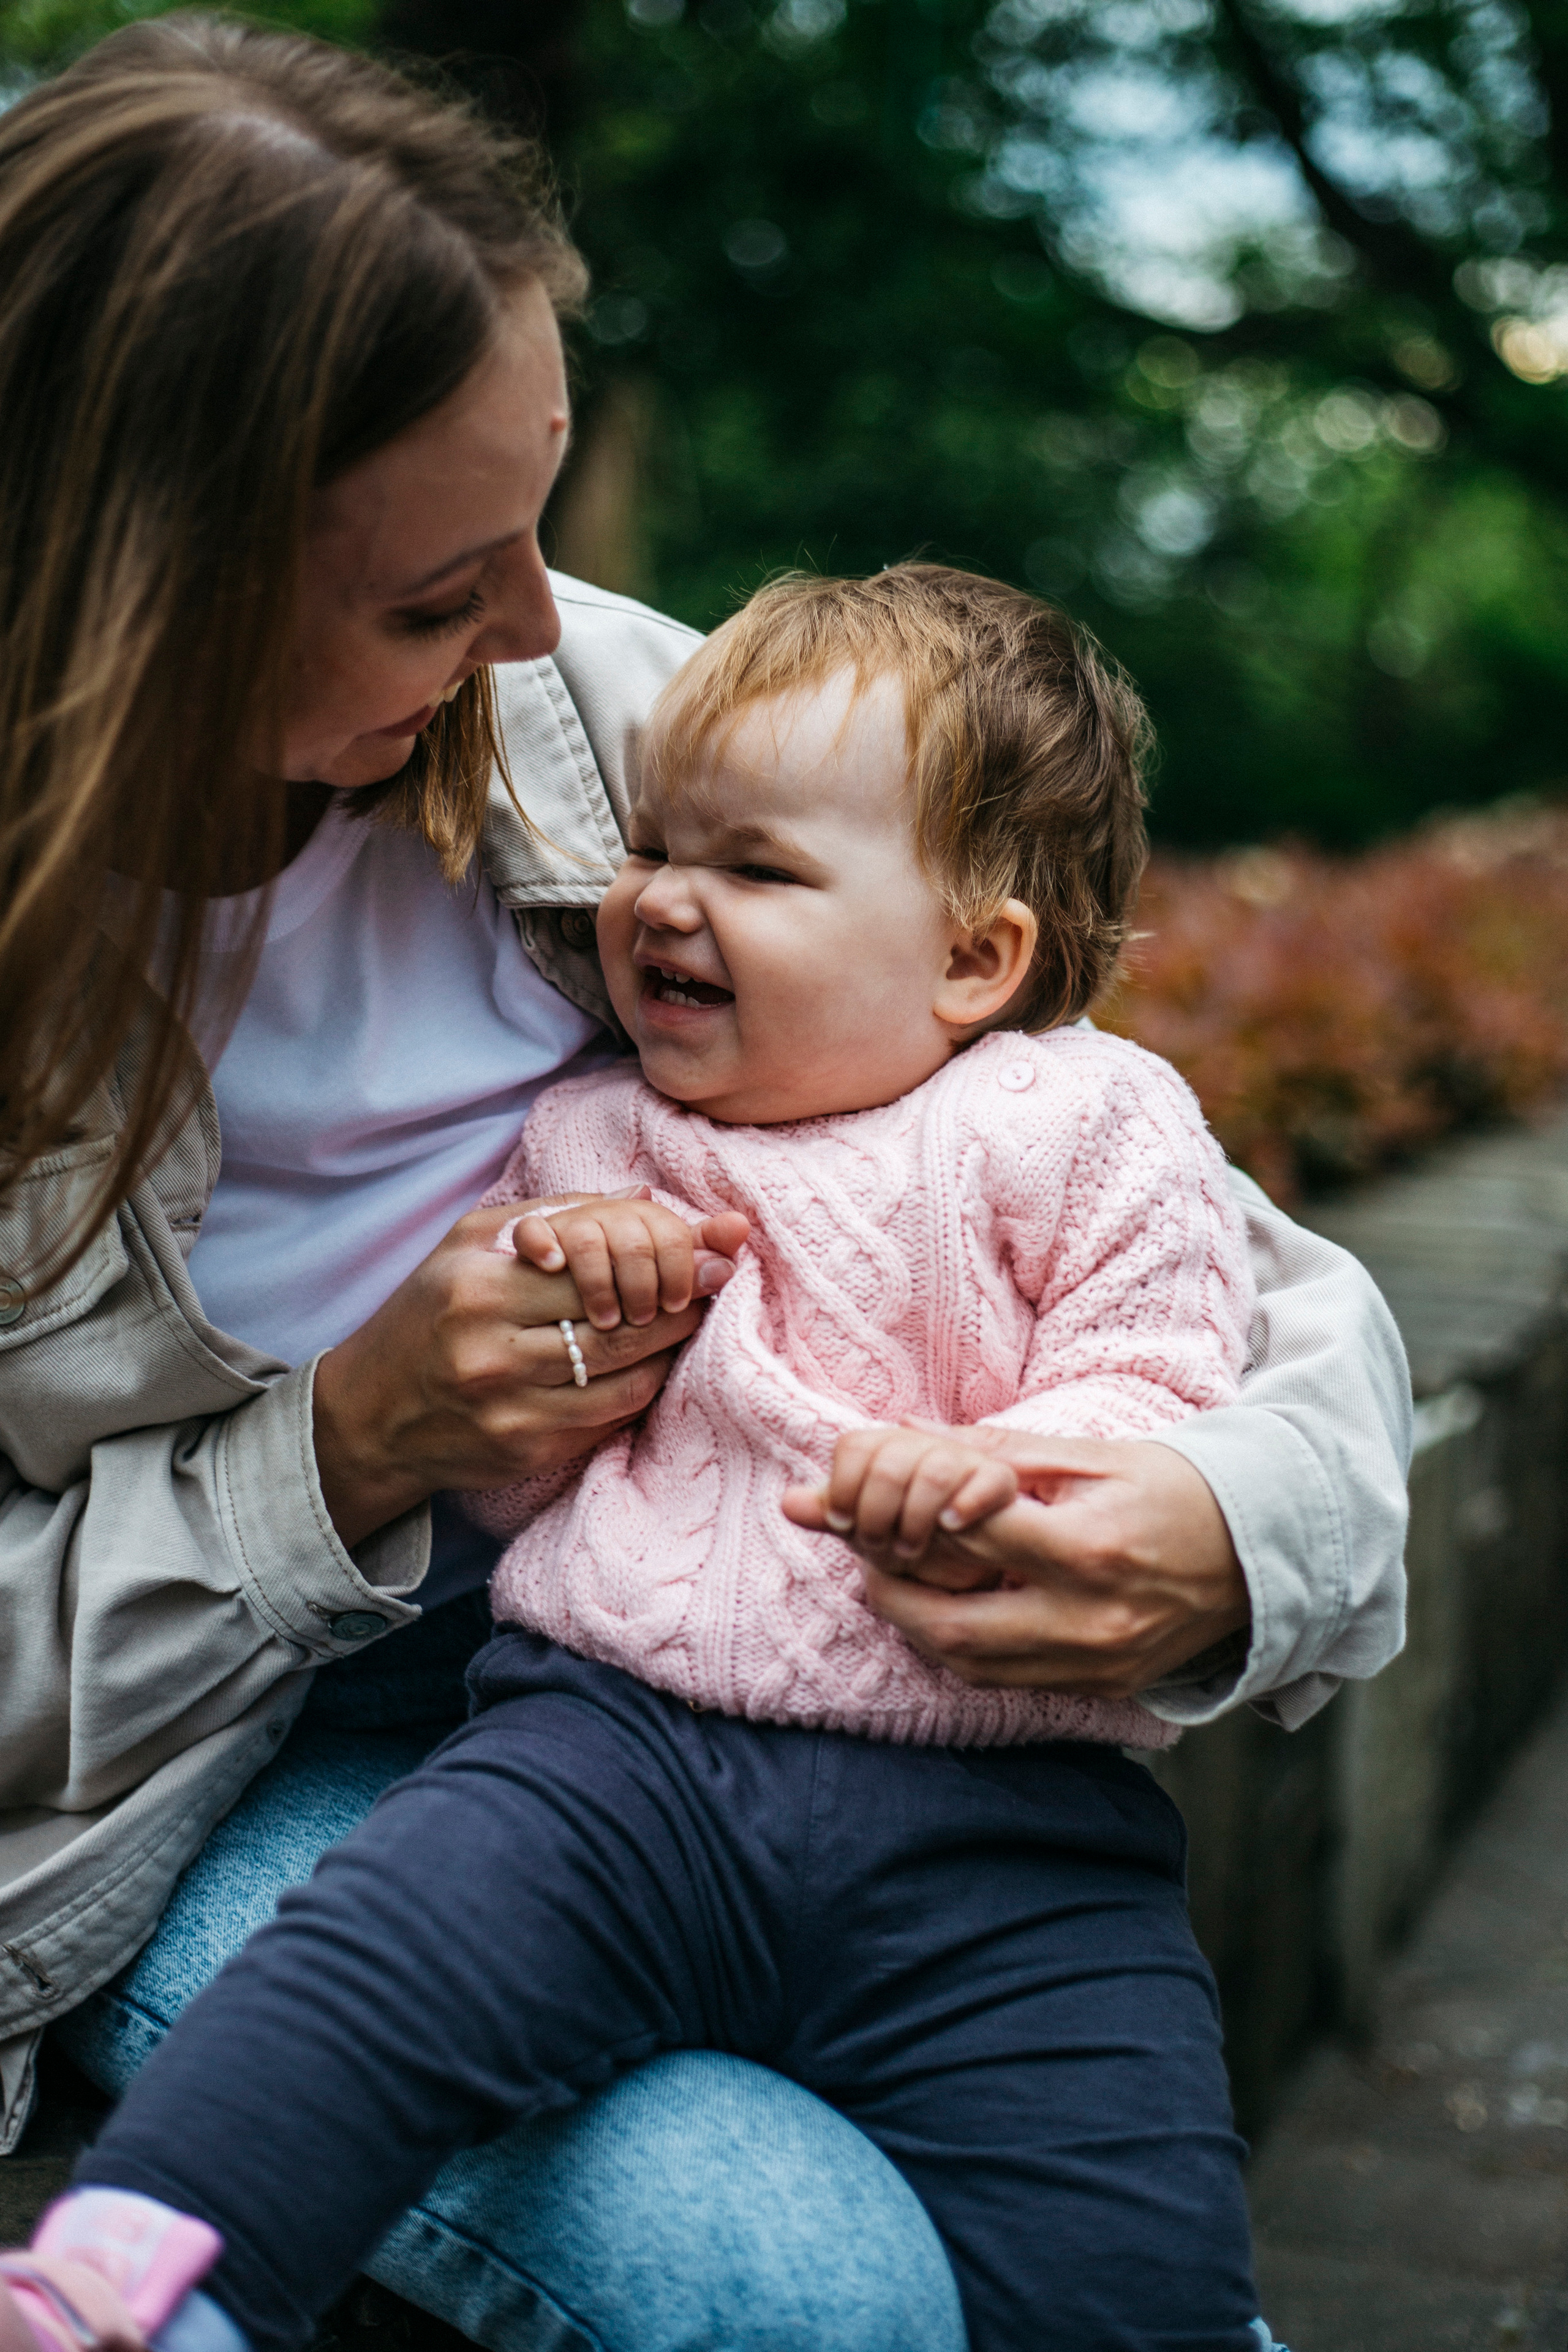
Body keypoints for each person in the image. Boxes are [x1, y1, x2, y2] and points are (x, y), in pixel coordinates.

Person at [0, 17, 1408, 2351]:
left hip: (823, 1718)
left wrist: (1223, 1528)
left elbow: (1187, 1240)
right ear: (150, 585)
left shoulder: (600, 732)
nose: (539, 629)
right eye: (441, 584)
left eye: (533, 523)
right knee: (813, 2297)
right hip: (214, 1786)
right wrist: (335, 1457)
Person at [11, 562, 1275, 2352]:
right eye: (657, 848)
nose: (664, 899)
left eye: (751, 871)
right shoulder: (599, 1135)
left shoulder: (1081, 1117)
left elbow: (1166, 1368)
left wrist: (1030, 1481)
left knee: (1135, 2250)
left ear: (976, 956)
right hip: (612, 1754)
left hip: (1009, 1835)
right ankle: (136, 2283)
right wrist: (557, 1350)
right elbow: (512, 1504)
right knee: (386, 1974)